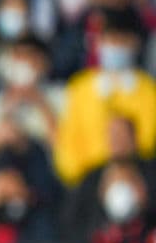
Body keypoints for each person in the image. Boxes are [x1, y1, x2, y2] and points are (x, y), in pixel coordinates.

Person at [53, 10, 156, 187]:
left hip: (136, 180)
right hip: (85, 183)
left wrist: (124, 171)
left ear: (135, 44)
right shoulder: (79, 88)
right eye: (109, 39)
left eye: (121, 40)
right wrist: (86, 180)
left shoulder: (148, 90)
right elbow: (67, 142)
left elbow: (148, 142)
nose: (115, 46)